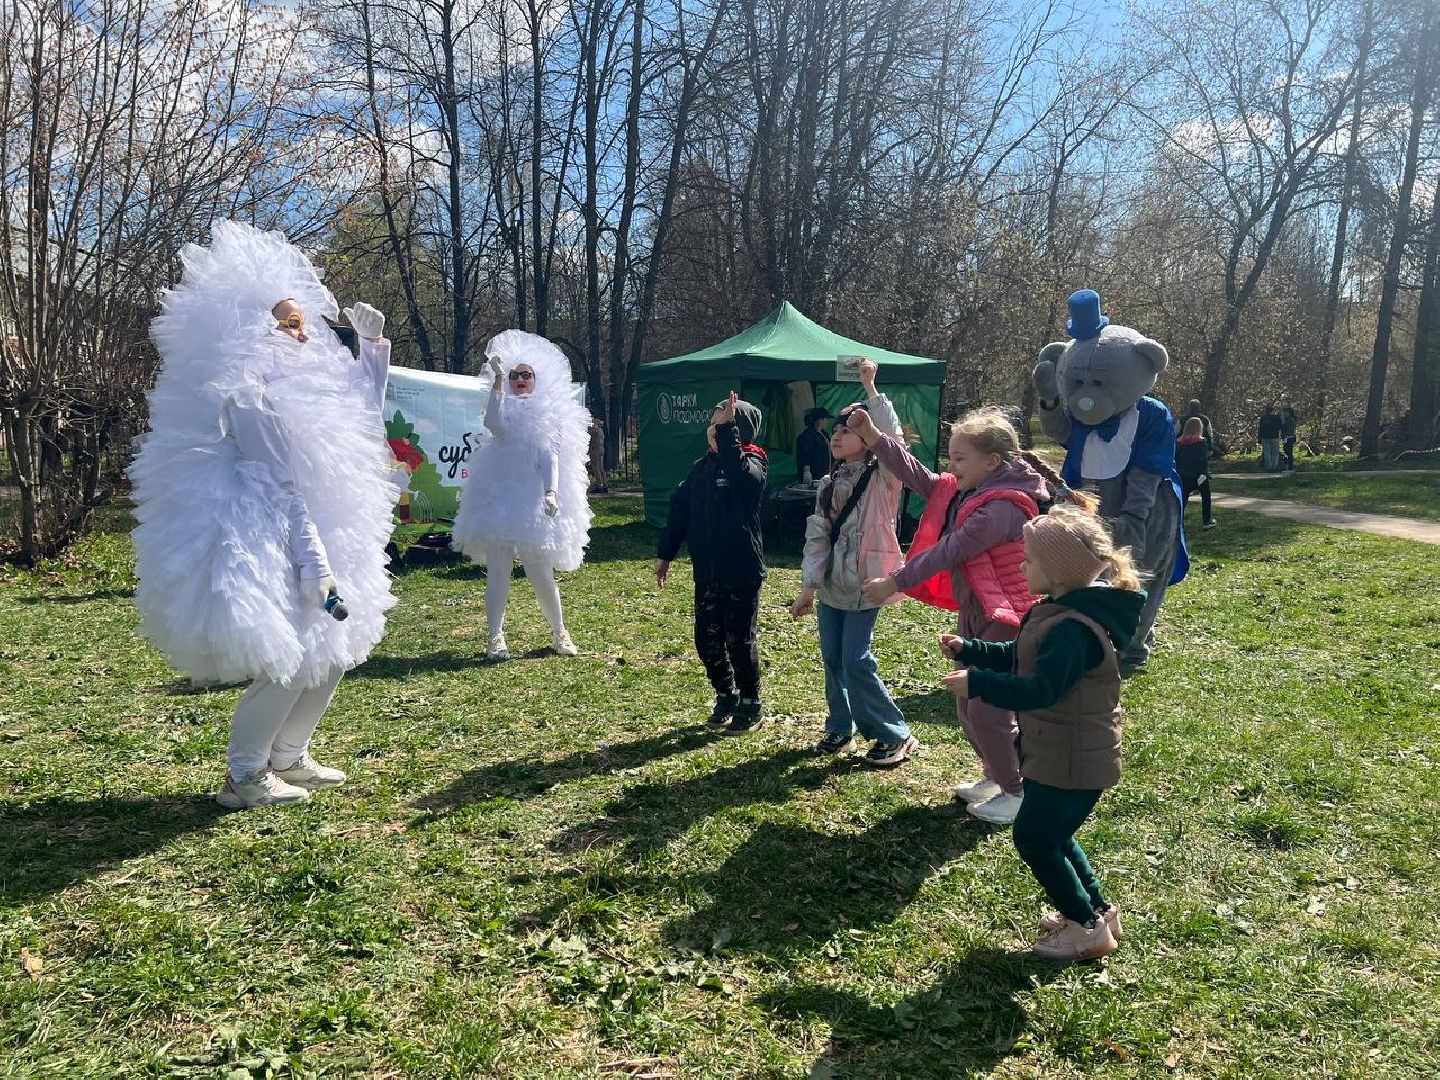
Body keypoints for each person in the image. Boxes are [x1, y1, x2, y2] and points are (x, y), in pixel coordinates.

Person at [131, 221, 398, 811]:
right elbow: (284, 487)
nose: (302, 336)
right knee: (292, 651)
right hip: (273, 534)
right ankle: (245, 774)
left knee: (335, 646)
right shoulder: (252, 395)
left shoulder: (310, 386)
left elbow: (362, 424)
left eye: (303, 323)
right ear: (257, 333)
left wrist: (372, 351)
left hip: (325, 527)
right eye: (288, 324)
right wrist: (314, 565)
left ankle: (288, 754)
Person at [855, 407, 1081, 824]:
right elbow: (918, 476)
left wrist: (895, 582)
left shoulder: (1004, 508)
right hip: (978, 610)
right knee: (968, 704)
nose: (950, 467)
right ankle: (997, 775)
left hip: (1007, 616)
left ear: (992, 462)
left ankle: (1017, 792)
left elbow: (951, 549)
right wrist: (874, 437)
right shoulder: (973, 490)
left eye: (959, 459)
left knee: (987, 708)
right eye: (951, 458)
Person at [940, 505, 1145, 962]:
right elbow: (1024, 655)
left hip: (1072, 757)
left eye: (1028, 559)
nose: (1021, 565)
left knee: (1035, 838)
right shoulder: (1058, 611)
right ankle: (1095, 911)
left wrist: (978, 683)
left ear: (1058, 571)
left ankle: (1086, 929)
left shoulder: (1072, 629)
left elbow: (1041, 689)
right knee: (1055, 833)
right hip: (1060, 752)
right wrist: (973, 650)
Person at [788, 360, 917, 767]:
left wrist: (871, 388)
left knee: (855, 659)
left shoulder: (884, 479)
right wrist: (809, 586)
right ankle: (839, 726)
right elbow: (817, 537)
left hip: (868, 583)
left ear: (866, 438)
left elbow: (893, 446)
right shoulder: (828, 485)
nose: (838, 436)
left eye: (848, 431)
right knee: (832, 658)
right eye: (837, 431)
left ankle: (892, 733)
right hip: (832, 586)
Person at [452, 331, 593, 660]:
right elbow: (494, 423)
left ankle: (560, 632)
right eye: (514, 375)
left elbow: (550, 457)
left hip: (532, 502)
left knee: (540, 571)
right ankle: (494, 637)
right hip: (500, 497)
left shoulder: (549, 415)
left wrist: (552, 491)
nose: (519, 380)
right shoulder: (502, 406)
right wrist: (498, 381)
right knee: (498, 569)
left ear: (536, 379)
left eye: (525, 375)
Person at [655, 392, 768, 734]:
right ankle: (725, 693)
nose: (713, 426)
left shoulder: (753, 462)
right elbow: (679, 512)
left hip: (741, 570)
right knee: (706, 639)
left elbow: (740, 474)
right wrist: (665, 554)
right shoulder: (701, 468)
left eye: (722, 420)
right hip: (708, 572)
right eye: (714, 420)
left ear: (738, 430)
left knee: (739, 639)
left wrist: (728, 429)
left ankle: (751, 701)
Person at [1175, 417, 1216, 529]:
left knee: (1182, 498)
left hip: (1184, 475)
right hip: (1199, 475)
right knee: (1206, 496)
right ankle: (1206, 520)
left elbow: (1177, 460)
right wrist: (1204, 473)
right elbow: (1202, 459)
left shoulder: (1179, 443)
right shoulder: (1201, 442)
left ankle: (1177, 520)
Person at [795, 406, 833, 483]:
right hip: (814, 473)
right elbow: (805, 453)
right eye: (826, 419)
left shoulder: (824, 435)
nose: (827, 422)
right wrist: (806, 471)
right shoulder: (807, 436)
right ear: (820, 420)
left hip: (824, 472)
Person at [587, 414, 609, 493]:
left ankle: (599, 485)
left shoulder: (594, 430)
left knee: (596, 468)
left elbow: (589, 436)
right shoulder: (600, 430)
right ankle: (605, 484)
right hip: (601, 449)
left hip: (595, 450)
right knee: (601, 468)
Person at [1258, 405, 1283, 471]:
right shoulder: (1277, 418)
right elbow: (1280, 428)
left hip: (1265, 437)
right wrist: (1280, 436)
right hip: (1274, 437)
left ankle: (1268, 467)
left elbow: (1260, 429)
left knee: (1267, 453)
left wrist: (1259, 438)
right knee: (1275, 453)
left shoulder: (1263, 418)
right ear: (1273, 411)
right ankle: (1274, 467)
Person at [1279, 403, 1298, 470]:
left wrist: (1283, 435)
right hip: (1290, 437)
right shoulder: (1291, 419)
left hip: (1288, 437)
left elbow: (1287, 429)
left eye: (1285, 412)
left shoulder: (1288, 420)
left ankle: (1290, 466)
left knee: (1288, 451)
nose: (1284, 413)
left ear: (1288, 413)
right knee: (1287, 451)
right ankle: (1289, 465)